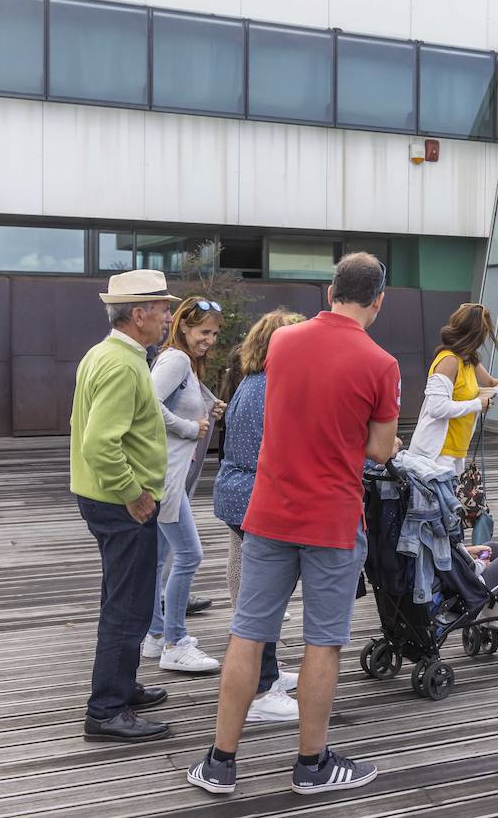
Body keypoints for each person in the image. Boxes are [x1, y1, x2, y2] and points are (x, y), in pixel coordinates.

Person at [188, 252, 400, 797]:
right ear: (378, 300)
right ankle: (311, 766)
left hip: (269, 512)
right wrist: (383, 440)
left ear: (330, 292)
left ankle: (219, 762)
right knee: (322, 644)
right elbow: (378, 449)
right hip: (331, 518)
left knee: (248, 634)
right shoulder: (381, 364)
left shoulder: (283, 342)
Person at [70, 269, 178, 743]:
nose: (168, 318)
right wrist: (134, 494)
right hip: (121, 502)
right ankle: (107, 708)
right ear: (139, 315)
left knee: (124, 596)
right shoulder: (121, 363)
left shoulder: (109, 353)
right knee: (129, 605)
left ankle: (120, 686)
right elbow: (100, 443)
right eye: (163, 310)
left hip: (105, 497)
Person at [212, 309, 306, 723]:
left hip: (237, 493)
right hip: (256, 496)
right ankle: (262, 688)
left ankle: (264, 675)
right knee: (264, 596)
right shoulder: (273, 388)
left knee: (260, 591)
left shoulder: (250, 383)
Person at [140, 297, 226, 674]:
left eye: (214, 334)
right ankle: (174, 641)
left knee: (160, 559)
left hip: (168, 475)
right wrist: (190, 427)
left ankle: (155, 635)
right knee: (189, 555)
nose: (210, 339)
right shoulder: (175, 360)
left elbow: (174, 402)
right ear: (185, 328)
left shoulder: (183, 363)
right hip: (168, 478)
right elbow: (147, 403)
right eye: (204, 332)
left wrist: (207, 409)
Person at [407, 303, 498, 472]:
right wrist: (477, 404)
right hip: (437, 454)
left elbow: (490, 382)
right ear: (475, 335)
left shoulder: (468, 359)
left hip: (457, 450)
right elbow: (437, 408)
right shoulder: (449, 361)